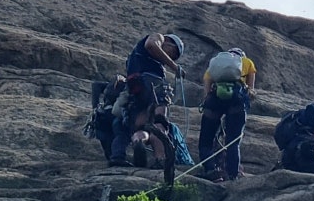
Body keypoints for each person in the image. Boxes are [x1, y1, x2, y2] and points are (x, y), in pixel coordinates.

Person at [110, 31, 185, 164]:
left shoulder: (136, 56)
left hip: (136, 88)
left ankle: (139, 141)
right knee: (160, 122)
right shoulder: (159, 37)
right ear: (168, 41)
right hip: (153, 84)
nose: (171, 57)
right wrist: (174, 67)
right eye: (174, 53)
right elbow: (151, 44)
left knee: (141, 126)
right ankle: (160, 159)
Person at [198, 46, 257, 182]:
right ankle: (232, 175)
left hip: (214, 100)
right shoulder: (247, 62)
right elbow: (251, 91)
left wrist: (208, 101)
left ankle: (211, 170)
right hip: (236, 100)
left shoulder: (214, 65)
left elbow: (206, 89)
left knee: (206, 142)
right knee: (233, 142)